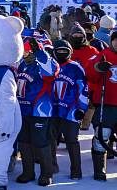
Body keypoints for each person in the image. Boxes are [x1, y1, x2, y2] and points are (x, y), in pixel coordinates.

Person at [15, 38, 58, 185]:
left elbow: (51, 71)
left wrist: (40, 52)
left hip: (40, 110)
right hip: (22, 110)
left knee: (41, 142)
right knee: (24, 142)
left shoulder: (43, 65)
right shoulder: (21, 65)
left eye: (27, 51)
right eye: (23, 51)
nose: (24, 53)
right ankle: (28, 172)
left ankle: (47, 173)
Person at [50, 40, 88, 180]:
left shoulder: (76, 67)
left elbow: (83, 88)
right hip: (52, 110)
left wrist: (82, 108)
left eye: (64, 51)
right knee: (51, 139)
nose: (61, 53)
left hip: (71, 111)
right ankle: (51, 167)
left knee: (72, 140)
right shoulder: (50, 66)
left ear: (70, 52)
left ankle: (76, 171)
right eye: (58, 51)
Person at [87, 31, 117, 181]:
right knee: (101, 136)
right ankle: (100, 170)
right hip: (106, 104)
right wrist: (98, 68)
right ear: (112, 41)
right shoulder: (102, 55)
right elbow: (90, 74)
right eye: (116, 40)